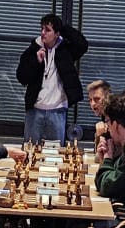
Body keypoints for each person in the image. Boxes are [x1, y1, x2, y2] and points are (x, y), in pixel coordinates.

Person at [17, 13, 89, 142]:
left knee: (56, 151)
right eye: (42, 29)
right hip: (35, 109)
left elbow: (82, 45)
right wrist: (36, 61)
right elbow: (21, 77)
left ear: (57, 33)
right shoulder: (33, 49)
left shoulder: (65, 50)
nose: (43, 33)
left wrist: (62, 27)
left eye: (48, 30)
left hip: (57, 110)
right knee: (30, 149)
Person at [85, 78, 111, 151]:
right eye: (90, 100)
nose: (92, 104)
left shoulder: (113, 118)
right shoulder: (104, 116)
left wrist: (99, 135)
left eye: (97, 99)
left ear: (107, 98)